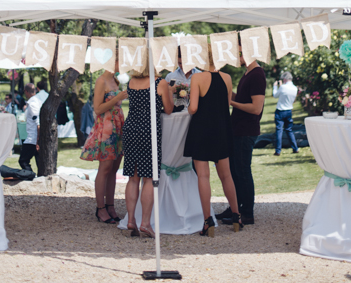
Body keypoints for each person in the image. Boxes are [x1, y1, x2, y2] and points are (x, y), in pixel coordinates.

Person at [184, 45, 240, 237]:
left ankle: (208, 221)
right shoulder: (227, 78)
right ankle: (236, 216)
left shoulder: (197, 78)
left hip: (201, 130)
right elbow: (226, 105)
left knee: (203, 176)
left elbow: (192, 108)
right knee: (226, 175)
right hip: (221, 129)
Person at [216, 46, 266, 226]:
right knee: (235, 171)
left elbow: (255, 108)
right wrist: (227, 93)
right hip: (237, 129)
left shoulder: (257, 74)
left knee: (243, 171)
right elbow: (244, 99)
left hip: (246, 131)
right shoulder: (247, 73)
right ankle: (234, 208)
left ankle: (247, 213)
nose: (236, 57)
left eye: (239, 54)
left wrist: (230, 102)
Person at [123, 63, 173, 238]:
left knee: (133, 177)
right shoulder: (159, 82)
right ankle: (145, 222)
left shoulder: (131, 82)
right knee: (149, 177)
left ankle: (130, 220)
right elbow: (168, 109)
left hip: (130, 128)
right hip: (148, 130)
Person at [81, 65, 127, 224]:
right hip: (106, 125)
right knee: (105, 167)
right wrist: (116, 98)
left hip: (118, 124)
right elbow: (98, 108)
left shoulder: (115, 80)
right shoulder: (101, 81)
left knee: (114, 168)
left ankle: (110, 205)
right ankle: (100, 208)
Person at [273, 71, 299, 156]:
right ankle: (295, 148)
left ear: (284, 79)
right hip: (289, 110)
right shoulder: (295, 88)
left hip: (280, 110)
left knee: (279, 130)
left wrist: (275, 87)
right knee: (289, 130)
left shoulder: (283, 87)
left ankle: (278, 150)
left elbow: (275, 95)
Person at [19, 83, 41, 173]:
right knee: (39, 162)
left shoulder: (32, 104)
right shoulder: (37, 101)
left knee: (23, 161)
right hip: (33, 137)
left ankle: (30, 177)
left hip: (32, 138)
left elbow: (38, 123)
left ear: (26, 91)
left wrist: (37, 142)